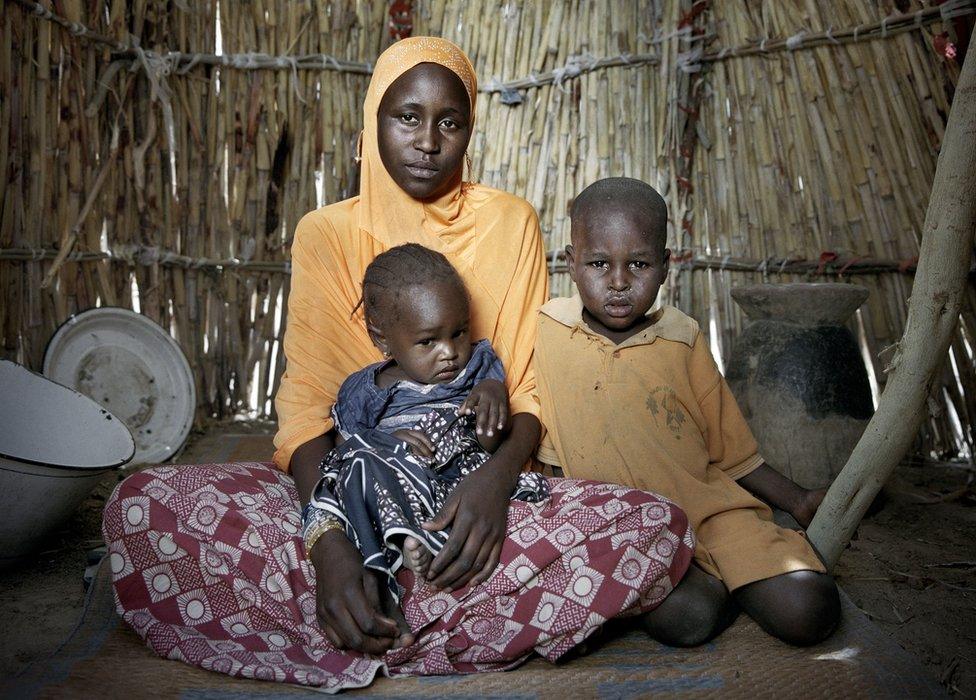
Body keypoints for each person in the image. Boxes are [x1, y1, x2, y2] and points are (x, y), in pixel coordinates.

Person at [103, 40, 694, 691]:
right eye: (406, 117)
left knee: (650, 520)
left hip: (472, 499)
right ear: (371, 123)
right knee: (143, 503)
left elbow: (526, 391)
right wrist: (328, 544)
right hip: (345, 487)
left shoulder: (509, 224)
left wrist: (494, 488)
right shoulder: (326, 235)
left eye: (450, 120)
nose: (428, 140)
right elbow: (306, 412)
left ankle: (365, 618)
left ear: (470, 128)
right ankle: (442, 612)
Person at [533, 177, 841, 648]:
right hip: (624, 530)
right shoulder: (548, 331)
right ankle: (713, 583)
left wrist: (796, 501)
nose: (618, 282)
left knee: (809, 612)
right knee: (687, 621)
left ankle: (731, 565)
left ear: (664, 267)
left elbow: (733, 453)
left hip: (709, 514)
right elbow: (548, 456)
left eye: (638, 263)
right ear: (571, 263)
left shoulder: (682, 338)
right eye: (599, 263)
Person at [306, 243, 549, 616]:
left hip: (461, 481)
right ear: (383, 338)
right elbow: (342, 451)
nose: (449, 352)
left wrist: (492, 393)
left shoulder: (479, 366)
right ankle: (405, 540)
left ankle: (425, 542)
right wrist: (381, 443)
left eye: (459, 333)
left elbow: (488, 441)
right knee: (363, 469)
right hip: (398, 482)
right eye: (427, 341)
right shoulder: (365, 389)